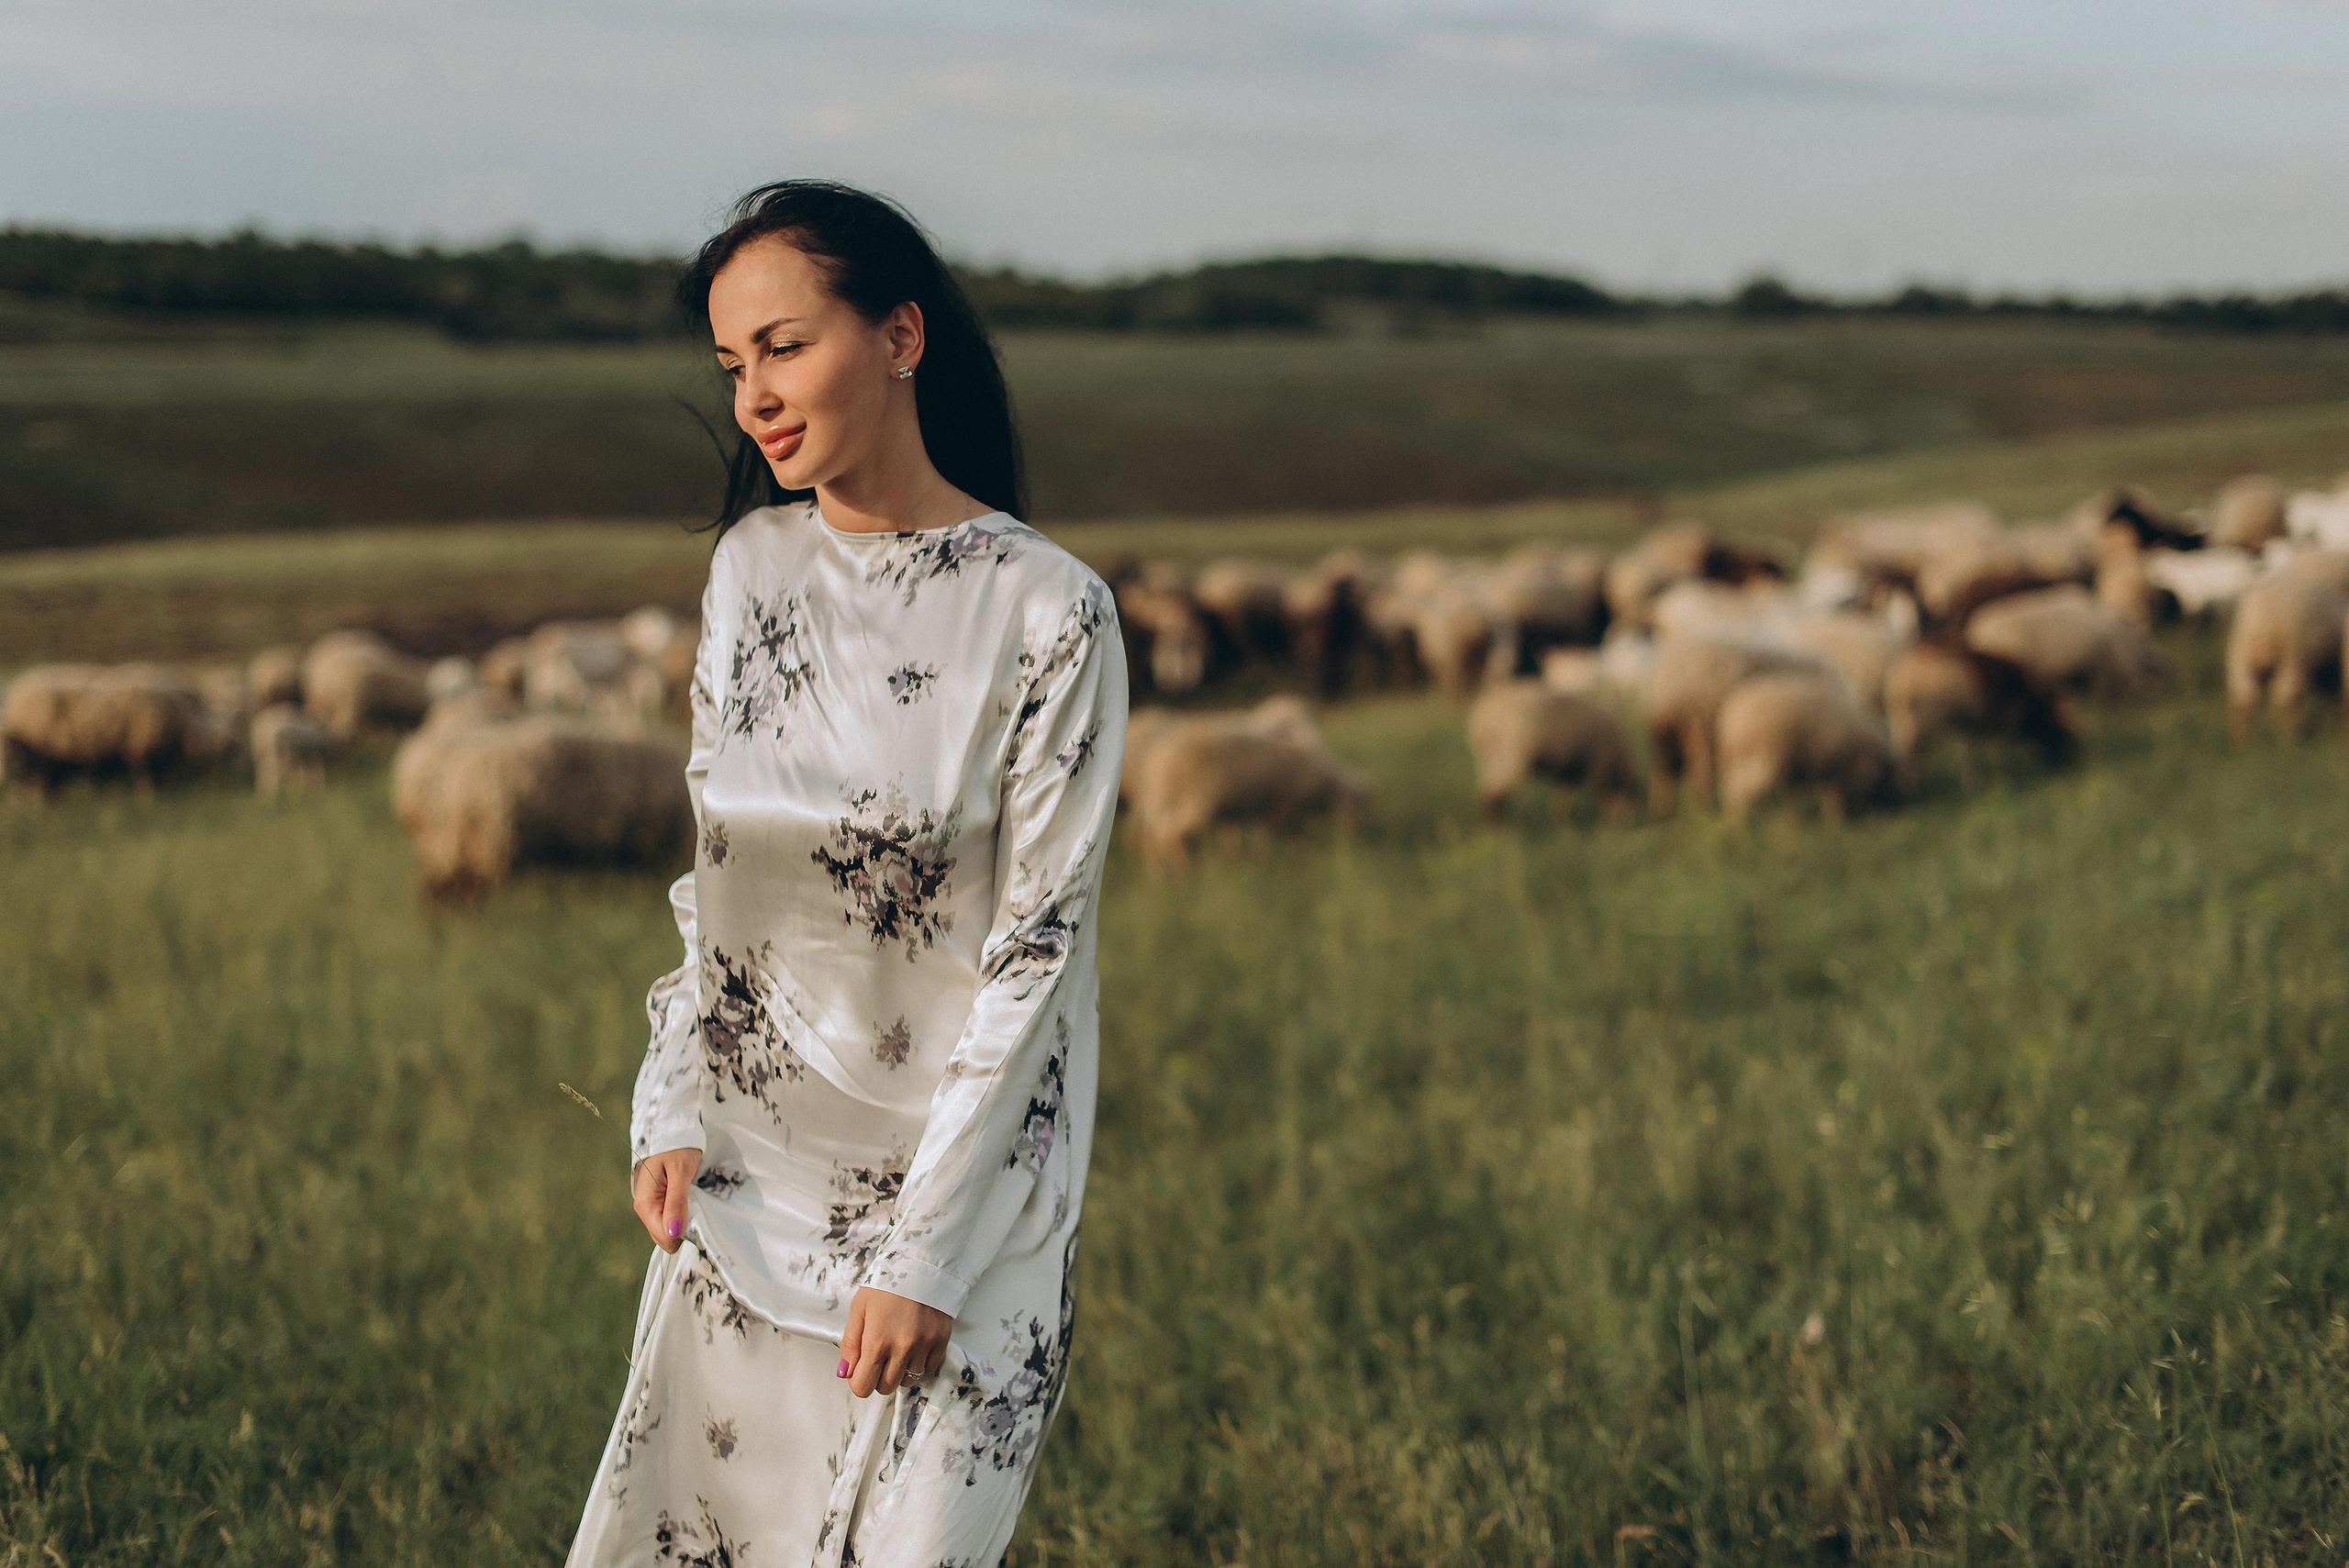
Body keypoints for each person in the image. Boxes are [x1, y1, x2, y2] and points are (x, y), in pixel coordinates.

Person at [564, 179, 1128, 1568]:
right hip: (750, 1195)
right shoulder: (750, 573)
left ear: (900, 337)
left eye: (785, 343)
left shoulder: (1051, 611)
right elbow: (721, 880)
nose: (754, 392)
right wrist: (671, 1098)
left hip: (962, 1217)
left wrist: (925, 1254)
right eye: (731, 361)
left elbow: (1036, 952)